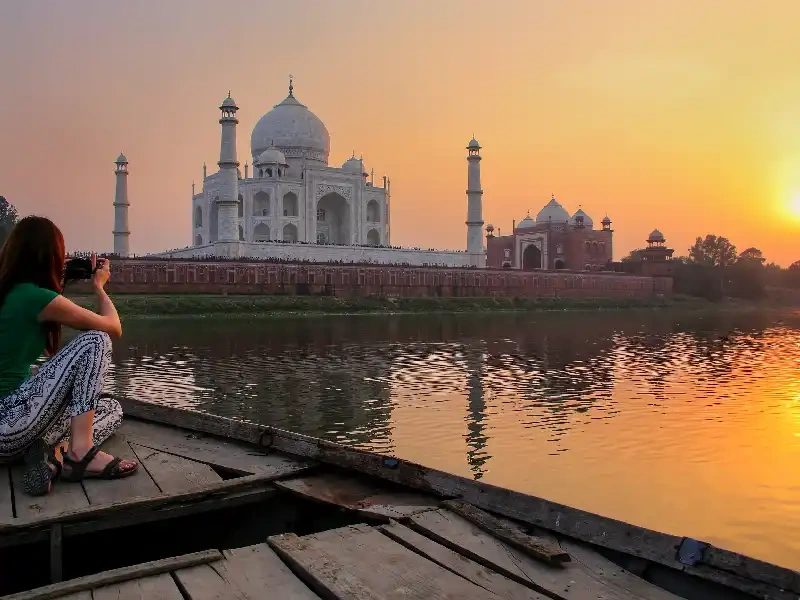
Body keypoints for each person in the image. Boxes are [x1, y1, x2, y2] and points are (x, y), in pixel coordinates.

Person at [0, 216, 138, 496]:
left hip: (13, 431)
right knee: (95, 341)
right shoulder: (34, 297)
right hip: (9, 421)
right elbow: (113, 327)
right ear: (48, 256)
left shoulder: (11, 293)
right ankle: (79, 453)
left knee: (111, 409)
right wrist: (98, 287)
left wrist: (61, 282)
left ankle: (51, 457)